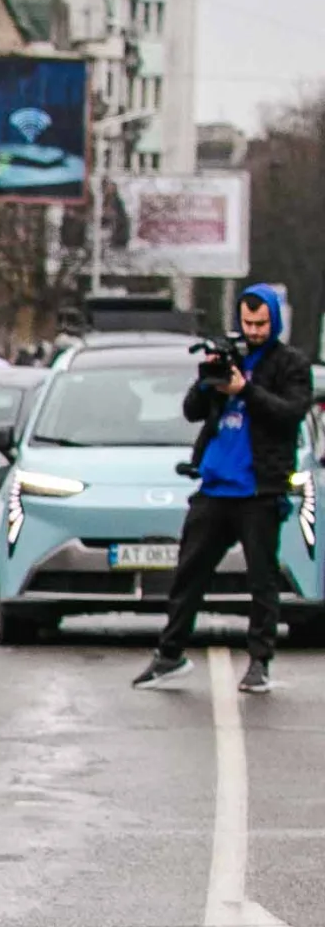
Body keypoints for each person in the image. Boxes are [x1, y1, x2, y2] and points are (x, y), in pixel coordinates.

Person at [134, 284, 313, 694]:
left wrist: (244, 390)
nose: (253, 331)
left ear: (275, 321)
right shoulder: (229, 356)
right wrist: (207, 381)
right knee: (188, 574)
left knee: (262, 581)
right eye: (247, 323)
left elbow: (289, 414)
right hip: (214, 487)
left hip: (259, 490)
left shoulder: (289, 365)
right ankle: (170, 655)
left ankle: (258, 663)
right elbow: (192, 412)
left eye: (261, 323)